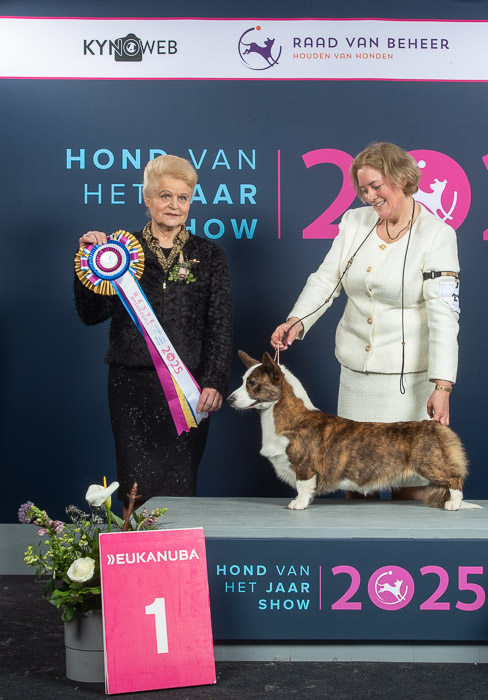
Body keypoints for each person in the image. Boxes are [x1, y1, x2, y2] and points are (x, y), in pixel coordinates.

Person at [271, 142, 460, 499]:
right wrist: (297, 320)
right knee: (356, 484)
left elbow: (444, 314)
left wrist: (443, 385)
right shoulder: (354, 222)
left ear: (402, 179)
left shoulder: (437, 234)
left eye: (376, 186)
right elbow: (327, 279)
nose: (370, 196)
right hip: (356, 377)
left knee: (410, 485)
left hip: (408, 383)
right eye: (363, 189)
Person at [74, 154, 233, 510]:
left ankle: (176, 551)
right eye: (165, 196)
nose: (174, 205)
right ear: (147, 199)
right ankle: (134, 549)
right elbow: (91, 314)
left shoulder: (209, 255)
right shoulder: (118, 251)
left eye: (182, 197)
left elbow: (220, 323)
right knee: (134, 486)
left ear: (190, 202)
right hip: (131, 385)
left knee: (181, 485)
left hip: (189, 388)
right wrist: (87, 265)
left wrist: (215, 380)